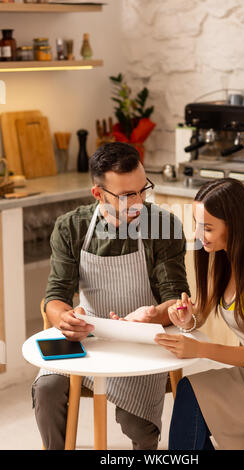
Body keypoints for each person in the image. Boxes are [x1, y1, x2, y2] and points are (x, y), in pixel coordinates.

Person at [32, 142, 190, 450]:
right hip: (89, 336)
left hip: (143, 339)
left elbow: (175, 298)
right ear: (98, 194)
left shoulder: (164, 225)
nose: (140, 201)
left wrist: (154, 314)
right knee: (47, 389)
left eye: (143, 189)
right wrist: (65, 319)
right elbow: (55, 297)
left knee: (139, 427)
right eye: (127, 195)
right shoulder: (71, 227)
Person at [155, 177, 244, 450]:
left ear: (235, 226)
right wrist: (188, 318)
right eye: (197, 225)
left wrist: (198, 349)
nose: (198, 235)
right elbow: (201, 312)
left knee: (190, 396)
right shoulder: (223, 259)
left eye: (207, 228)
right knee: (188, 391)